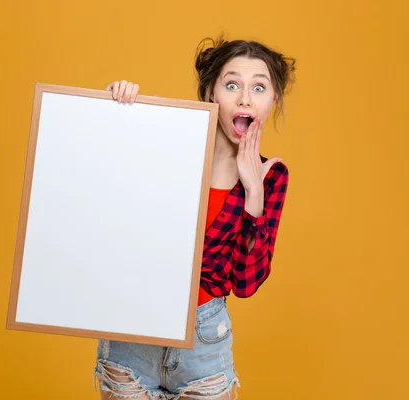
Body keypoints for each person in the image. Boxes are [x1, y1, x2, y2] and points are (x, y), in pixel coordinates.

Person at [94, 35, 296, 400]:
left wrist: (253, 193)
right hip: (133, 330)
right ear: (210, 94)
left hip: (204, 344)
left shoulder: (271, 177)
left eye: (259, 88)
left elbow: (246, 283)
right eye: (231, 84)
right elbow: (104, 198)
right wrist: (116, 110)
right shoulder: (165, 141)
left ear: (273, 100)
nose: (245, 98)